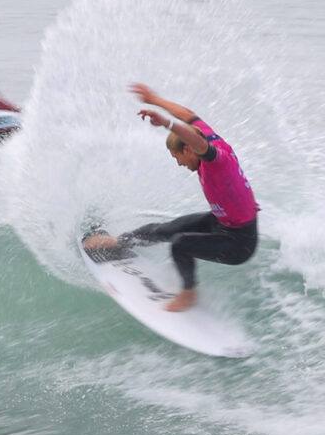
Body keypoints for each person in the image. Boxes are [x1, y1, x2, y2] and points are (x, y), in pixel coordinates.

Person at [84, 83, 260, 312]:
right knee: (165, 229)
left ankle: (188, 294)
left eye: (178, 157)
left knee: (180, 244)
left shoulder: (216, 160)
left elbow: (197, 142)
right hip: (222, 222)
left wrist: (166, 123)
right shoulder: (209, 138)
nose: (178, 163)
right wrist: (155, 99)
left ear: (188, 150)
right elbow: (189, 116)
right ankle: (118, 241)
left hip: (240, 243)